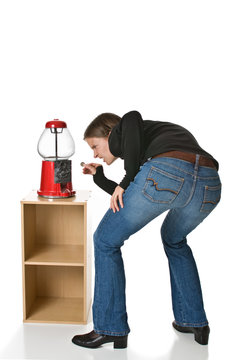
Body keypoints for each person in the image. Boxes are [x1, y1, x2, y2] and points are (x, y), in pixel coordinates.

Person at [72, 110, 221, 349]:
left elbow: (131, 116)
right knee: (174, 240)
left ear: (111, 134)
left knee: (105, 240)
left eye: (95, 146)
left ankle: (110, 328)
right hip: (208, 183)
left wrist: (126, 178)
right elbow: (134, 195)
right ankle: (194, 322)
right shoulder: (145, 144)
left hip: (168, 171)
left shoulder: (128, 126)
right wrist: (100, 177)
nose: (95, 154)